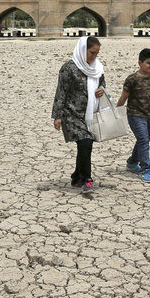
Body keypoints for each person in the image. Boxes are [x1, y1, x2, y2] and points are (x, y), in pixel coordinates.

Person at [52, 36, 105, 194]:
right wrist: (58, 115)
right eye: (91, 53)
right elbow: (61, 92)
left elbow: (102, 83)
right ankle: (87, 180)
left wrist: (101, 89)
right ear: (83, 50)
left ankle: (77, 176)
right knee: (86, 143)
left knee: (84, 145)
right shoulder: (69, 68)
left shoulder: (97, 68)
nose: (93, 57)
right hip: (71, 113)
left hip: (89, 113)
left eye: (96, 53)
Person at [116, 48, 150, 183]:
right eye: (148, 63)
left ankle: (132, 162)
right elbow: (123, 98)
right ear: (140, 63)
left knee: (144, 140)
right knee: (143, 140)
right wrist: (116, 112)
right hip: (135, 115)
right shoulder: (132, 79)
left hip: (149, 115)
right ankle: (146, 169)